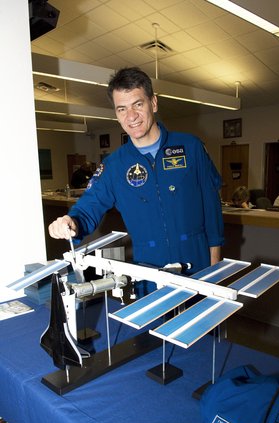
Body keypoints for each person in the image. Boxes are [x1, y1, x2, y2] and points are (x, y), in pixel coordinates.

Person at [49, 67, 224, 281]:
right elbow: (89, 208)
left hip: (198, 262)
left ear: (154, 102)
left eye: (138, 104)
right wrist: (70, 222)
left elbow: (211, 206)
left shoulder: (191, 147)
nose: (131, 116)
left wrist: (215, 267)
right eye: (122, 109)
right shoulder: (114, 165)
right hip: (148, 268)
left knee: (202, 315)